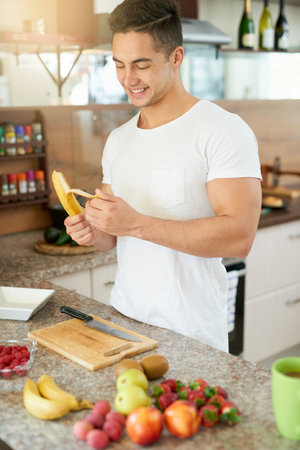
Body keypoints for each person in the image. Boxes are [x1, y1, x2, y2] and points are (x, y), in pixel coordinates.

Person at [65, 0, 262, 352]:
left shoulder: (222, 130)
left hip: (193, 335)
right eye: (120, 65)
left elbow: (239, 237)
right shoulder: (119, 139)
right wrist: (93, 230)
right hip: (125, 327)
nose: (129, 79)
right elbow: (113, 237)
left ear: (176, 57)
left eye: (142, 65)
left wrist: (137, 223)